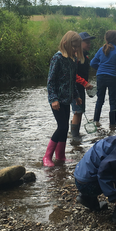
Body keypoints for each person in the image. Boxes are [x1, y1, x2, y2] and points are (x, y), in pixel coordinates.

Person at [45, 31, 83, 167]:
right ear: (65, 43)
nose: (75, 50)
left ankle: (60, 156)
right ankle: (47, 157)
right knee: (61, 127)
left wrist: (77, 96)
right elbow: (50, 81)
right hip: (57, 100)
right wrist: (53, 99)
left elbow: (72, 81)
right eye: (73, 47)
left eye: (77, 47)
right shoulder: (58, 58)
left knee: (65, 127)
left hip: (67, 99)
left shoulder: (73, 60)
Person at [90, 30, 116, 128]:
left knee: (99, 100)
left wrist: (101, 68)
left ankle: (95, 122)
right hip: (112, 77)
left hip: (100, 77)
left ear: (106, 39)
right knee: (113, 101)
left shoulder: (101, 50)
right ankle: (112, 125)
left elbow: (92, 63)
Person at [70, 32, 96, 141]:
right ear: (79, 43)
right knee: (78, 111)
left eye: (90, 42)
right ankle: (75, 137)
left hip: (80, 88)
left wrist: (85, 84)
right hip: (74, 88)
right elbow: (72, 75)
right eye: (87, 42)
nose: (89, 44)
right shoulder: (75, 57)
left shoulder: (85, 56)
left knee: (80, 111)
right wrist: (85, 83)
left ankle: (75, 133)